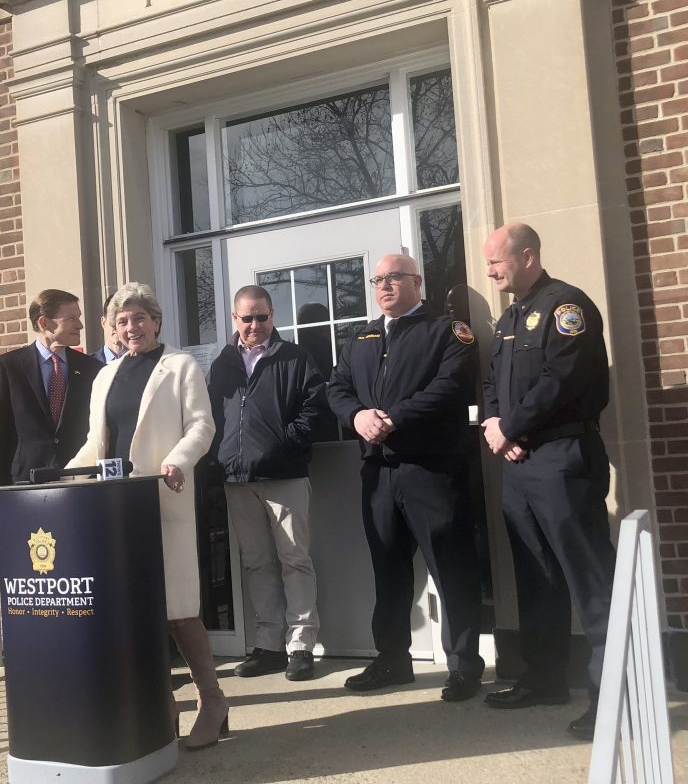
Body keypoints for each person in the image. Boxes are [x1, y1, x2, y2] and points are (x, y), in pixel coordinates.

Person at [67, 282, 226, 750]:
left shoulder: (180, 367)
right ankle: (162, 706)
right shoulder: (105, 376)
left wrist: (177, 459)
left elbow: (202, 424)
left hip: (162, 498)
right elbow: (97, 444)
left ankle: (212, 701)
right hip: (115, 510)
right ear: (113, 330)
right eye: (122, 321)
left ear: (156, 321)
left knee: (179, 612)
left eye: (139, 318)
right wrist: (62, 478)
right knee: (134, 612)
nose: (131, 327)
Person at [327, 254, 485, 702]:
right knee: (389, 571)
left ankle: (463, 667)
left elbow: (451, 386)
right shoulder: (362, 335)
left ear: (417, 281)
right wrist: (357, 416)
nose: (384, 286)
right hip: (379, 472)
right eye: (378, 279)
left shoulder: (447, 331)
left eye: (394, 278)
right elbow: (336, 387)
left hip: (431, 469)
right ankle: (393, 660)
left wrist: (394, 418)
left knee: (450, 568)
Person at [481, 222, 616, 739]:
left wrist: (510, 426)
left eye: (497, 261)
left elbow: (563, 380)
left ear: (528, 256)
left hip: (562, 456)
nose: (489, 270)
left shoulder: (567, 308)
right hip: (519, 460)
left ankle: (612, 696)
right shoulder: (511, 316)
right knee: (536, 575)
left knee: (589, 579)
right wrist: (495, 427)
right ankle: (544, 678)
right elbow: (494, 382)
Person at [208, 285, 326, 681]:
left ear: (272, 316)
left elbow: (315, 412)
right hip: (237, 478)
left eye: (262, 317)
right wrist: (219, 459)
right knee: (256, 564)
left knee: (295, 560)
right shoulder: (222, 363)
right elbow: (212, 417)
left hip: (284, 474)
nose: (255, 325)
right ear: (235, 319)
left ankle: (301, 645)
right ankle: (269, 645)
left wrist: (282, 445)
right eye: (247, 318)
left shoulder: (295, 357)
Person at [0, 289, 103, 526]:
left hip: (78, 486)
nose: (80, 325)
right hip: (24, 491)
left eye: (78, 317)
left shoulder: (91, 369)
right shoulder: (8, 367)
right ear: (44, 322)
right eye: (71, 318)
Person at [92, 291, 126, 364]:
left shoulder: (144, 362)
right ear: (103, 322)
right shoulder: (87, 364)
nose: (116, 326)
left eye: (122, 321)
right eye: (112, 319)